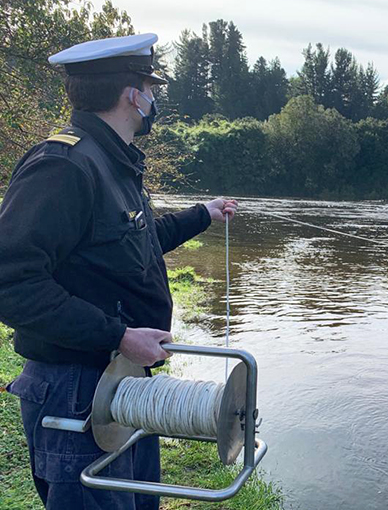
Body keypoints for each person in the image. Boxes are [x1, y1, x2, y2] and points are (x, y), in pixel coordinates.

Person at [0, 33, 237, 510]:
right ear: (134, 94)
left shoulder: (113, 162)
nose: (154, 98)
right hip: (76, 393)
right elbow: (10, 284)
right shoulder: (63, 166)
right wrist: (118, 335)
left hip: (124, 384)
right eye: (151, 87)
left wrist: (202, 214)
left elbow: (137, 242)